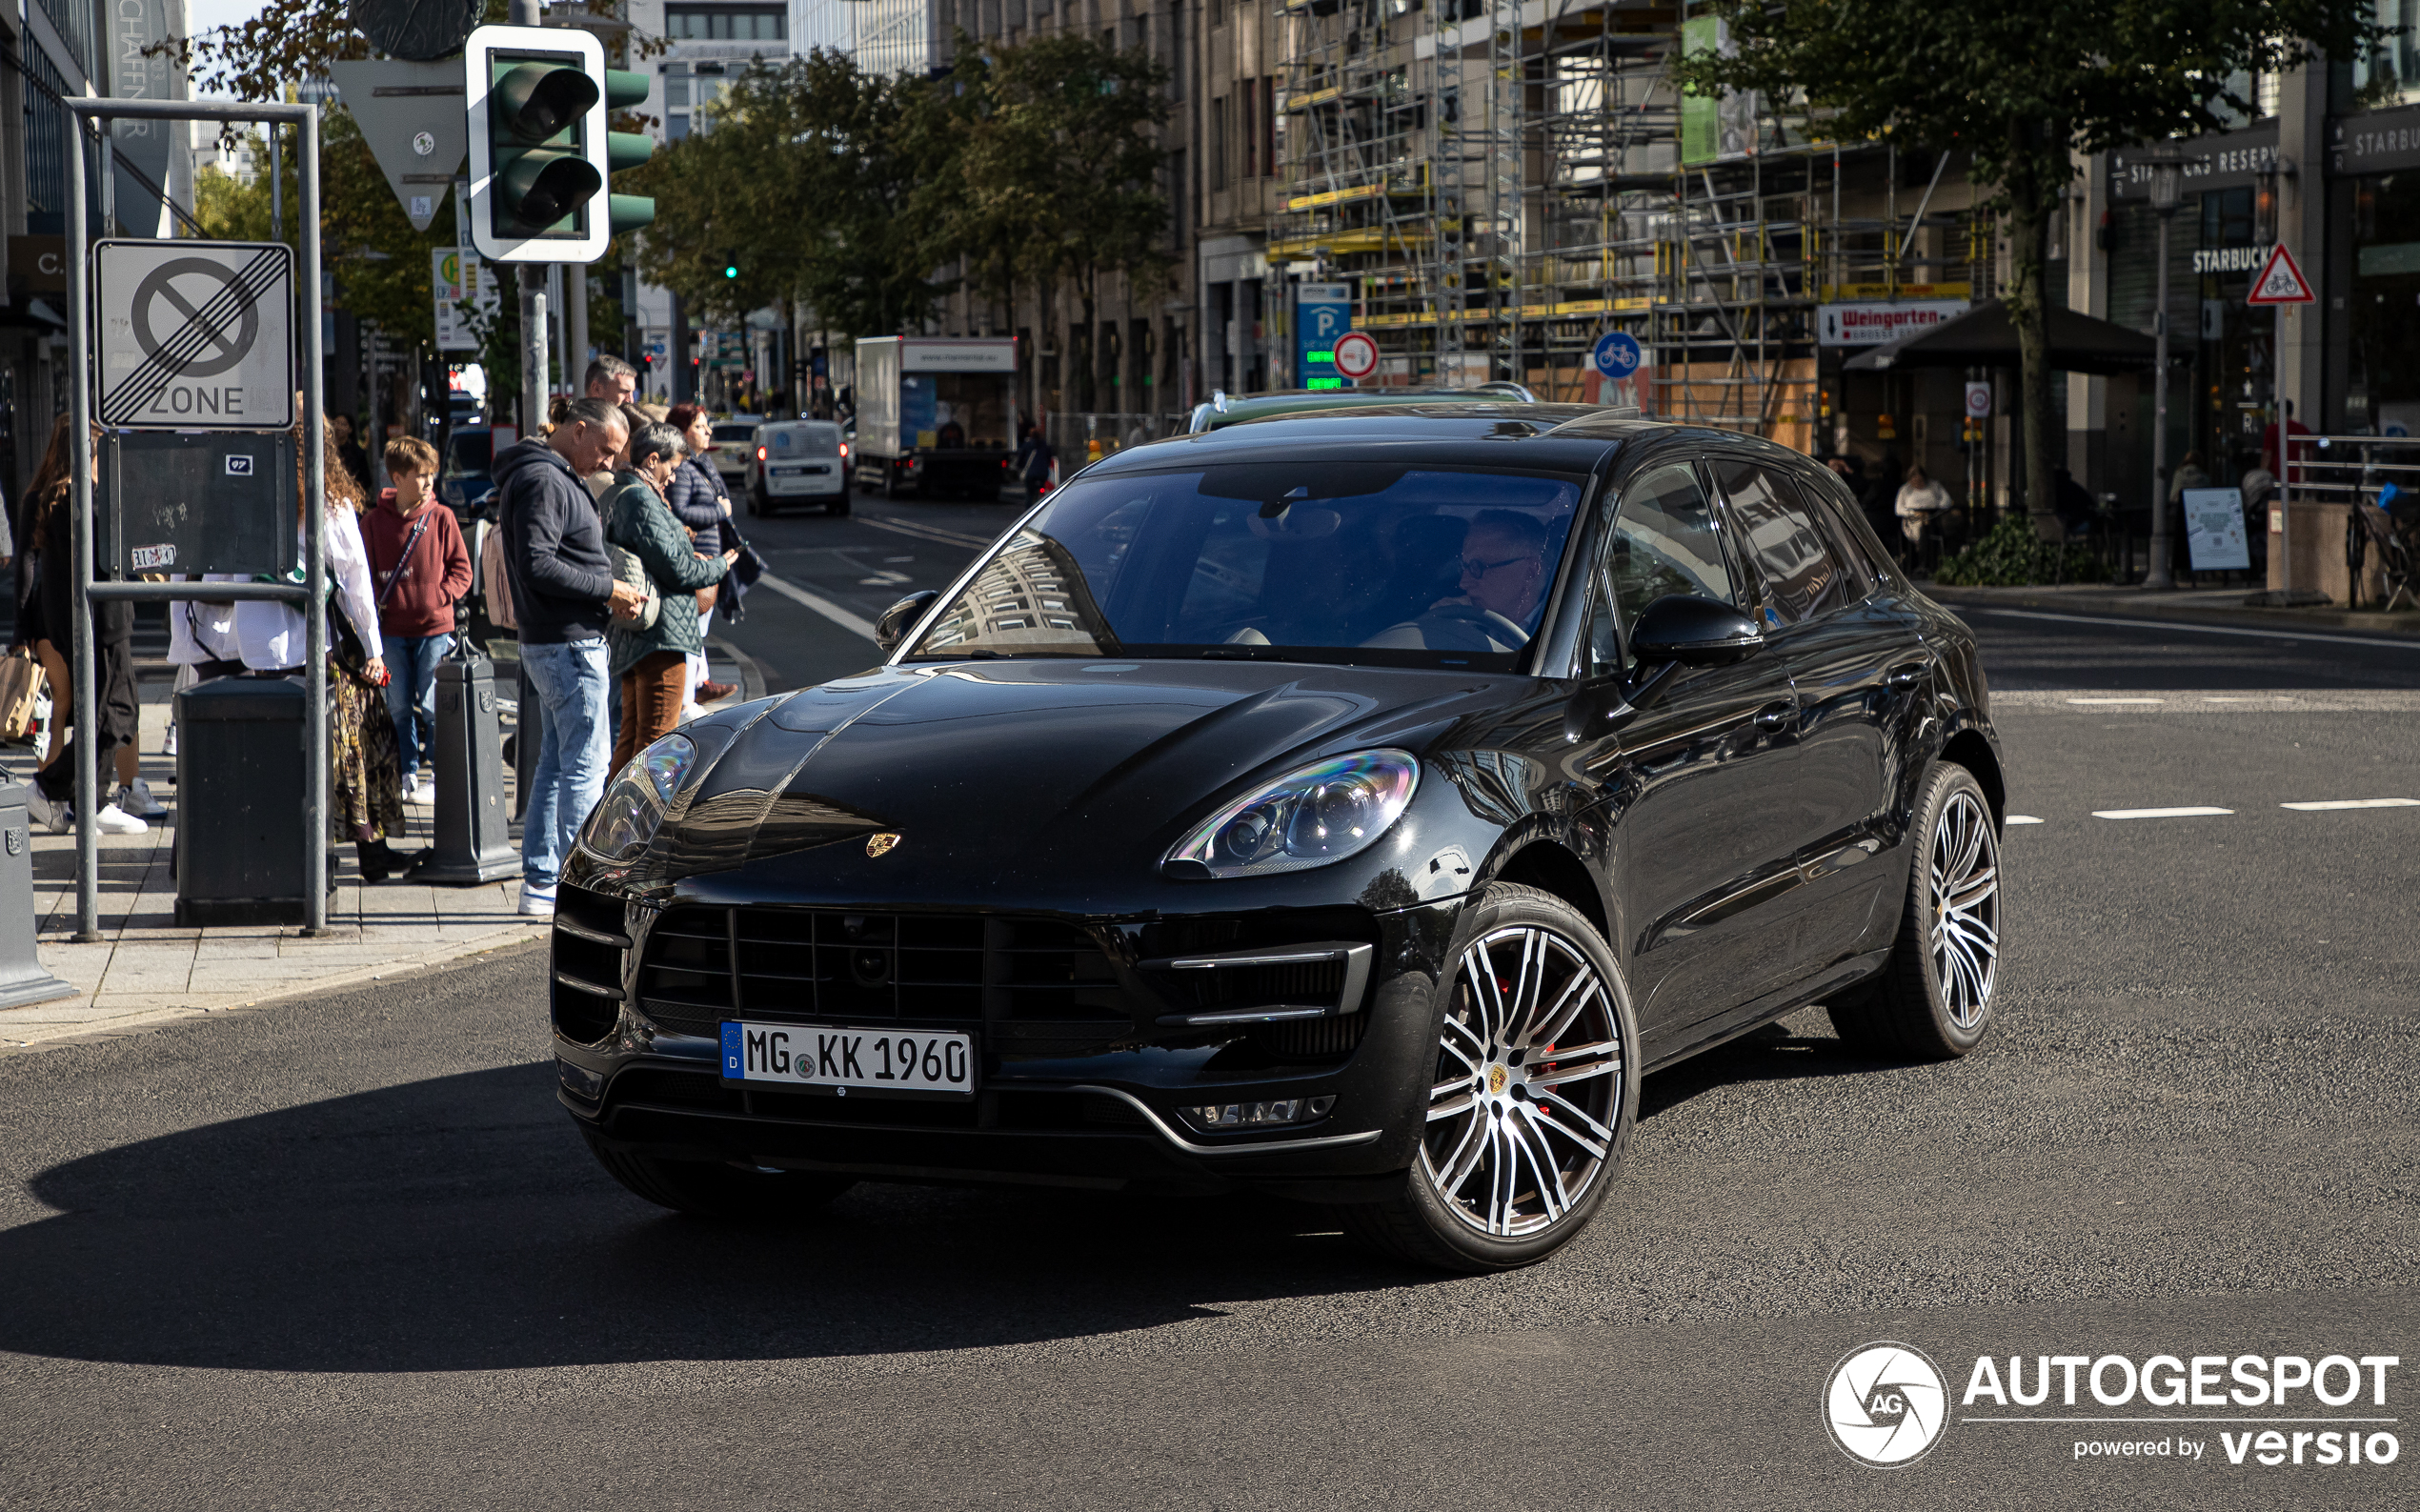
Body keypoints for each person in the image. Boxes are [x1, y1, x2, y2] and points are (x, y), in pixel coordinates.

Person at [215, 418, 408, 879]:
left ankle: (283, 843)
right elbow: (355, 579)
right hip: (316, 645)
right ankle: (364, 847)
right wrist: (373, 646)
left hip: (259, 643)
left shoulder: (245, 492)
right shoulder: (328, 500)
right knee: (347, 744)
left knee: (280, 749)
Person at [495, 397, 644, 918]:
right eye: (605, 449)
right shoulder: (545, 479)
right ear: (578, 431)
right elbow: (538, 563)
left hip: (555, 638)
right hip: (569, 641)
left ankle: (542, 882)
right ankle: (584, 888)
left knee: (557, 766)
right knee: (584, 766)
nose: (608, 461)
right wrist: (608, 589)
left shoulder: (544, 473)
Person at [19, 415, 156, 836]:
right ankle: (52, 788)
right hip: (101, 619)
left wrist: (22, 629)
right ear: (90, 454)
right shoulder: (89, 498)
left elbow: (28, 566)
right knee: (113, 712)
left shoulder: (47, 497)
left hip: (77, 620)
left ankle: (87, 800)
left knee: (107, 710)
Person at [604, 422, 735, 770]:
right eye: (672, 468)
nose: (674, 477)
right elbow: (677, 570)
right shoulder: (641, 499)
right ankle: (639, 822)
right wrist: (718, 566)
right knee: (656, 742)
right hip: (661, 635)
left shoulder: (624, 493)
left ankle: (612, 818)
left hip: (644, 634)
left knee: (633, 738)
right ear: (651, 460)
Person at [363, 434, 474, 805]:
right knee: (396, 706)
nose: (428, 483)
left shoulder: (442, 517)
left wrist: (440, 596)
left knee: (432, 706)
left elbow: (462, 569)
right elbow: (361, 573)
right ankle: (406, 772)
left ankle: (440, 776)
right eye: (420, 475)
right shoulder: (374, 521)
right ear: (397, 478)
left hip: (434, 630)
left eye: (431, 475)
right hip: (390, 632)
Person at [664, 404, 737, 706]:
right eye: (699, 426)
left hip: (706, 559)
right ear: (682, 432)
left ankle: (698, 684)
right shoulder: (683, 469)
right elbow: (680, 511)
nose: (708, 431)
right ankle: (689, 696)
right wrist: (720, 510)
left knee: (696, 630)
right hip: (697, 559)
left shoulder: (699, 464)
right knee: (691, 630)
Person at [1434, 509, 1550, 632]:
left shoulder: (1561, 635)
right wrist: (1438, 628)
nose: (1463, 584)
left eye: (1478, 567)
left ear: (1530, 572)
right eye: (1464, 566)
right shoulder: (1467, 626)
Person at [1895, 464, 1951, 571]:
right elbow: (1898, 509)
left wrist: (1936, 507)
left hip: (1931, 517)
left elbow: (1946, 501)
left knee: (1928, 529)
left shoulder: (1934, 486)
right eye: (1914, 481)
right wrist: (1911, 513)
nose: (1918, 484)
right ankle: (1920, 561)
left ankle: (1929, 563)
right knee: (1920, 530)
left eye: (1920, 481)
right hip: (1912, 519)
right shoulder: (1905, 490)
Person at [331, 413, 373, 498]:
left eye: (343, 424)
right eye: (336, 423)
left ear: (350, 429)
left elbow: (366, 480)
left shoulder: (358, 453)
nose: (338, 427)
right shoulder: (328, 451)